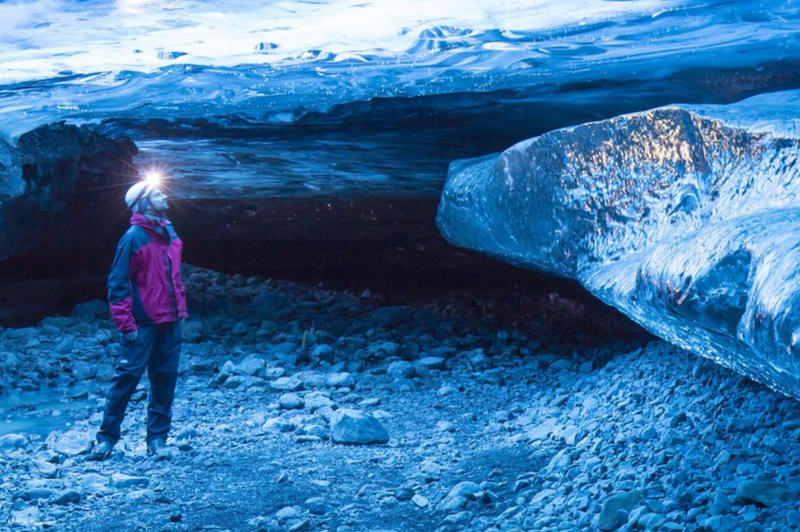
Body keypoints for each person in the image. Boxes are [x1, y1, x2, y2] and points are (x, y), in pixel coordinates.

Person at [89, 175, 188, 460]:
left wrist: (180, 309)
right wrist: (125, 323)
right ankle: (107, 439)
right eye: (158, 195)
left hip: (170, 320)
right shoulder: (133, 238)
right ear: (144, 203)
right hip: (142, 323)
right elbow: (118, 283)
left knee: (164, 378)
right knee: (127, 379)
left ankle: (157, 440)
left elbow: (174, 276)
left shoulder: (169, 232)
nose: (165, 197)